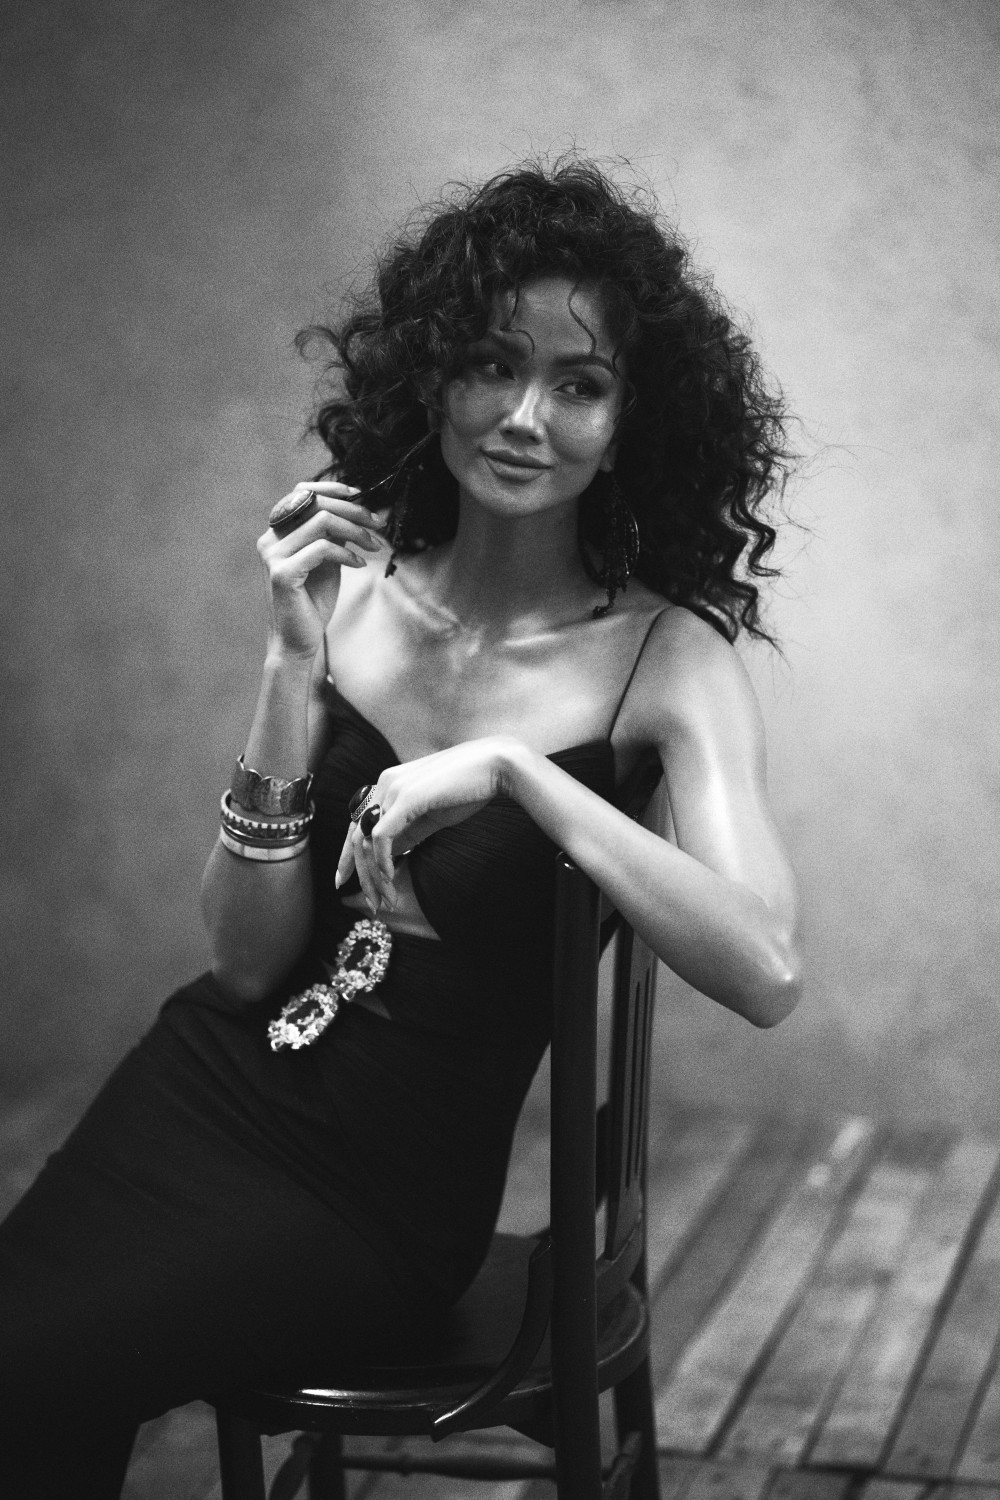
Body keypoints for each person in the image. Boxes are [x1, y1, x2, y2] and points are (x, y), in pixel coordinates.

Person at [0, 158, 801, 1496]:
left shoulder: (666, 660)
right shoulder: (353, 598)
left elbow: (767, 968)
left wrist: (520, 775)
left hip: (379, 1198)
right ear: (434, 378)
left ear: (629, 424)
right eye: (492, 364)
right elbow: (246, 964)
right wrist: (288, 664)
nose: (526, 418)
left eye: (580, 385)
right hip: (208, 1085)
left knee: (32, 1372)